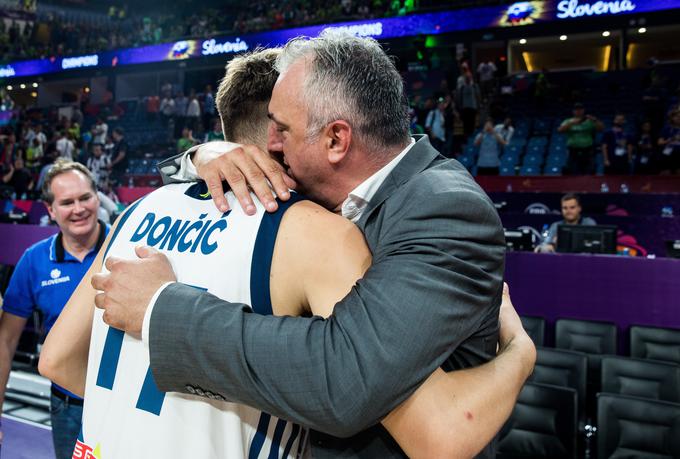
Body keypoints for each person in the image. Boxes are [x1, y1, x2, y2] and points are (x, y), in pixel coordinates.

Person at [42, 49, 534, 459]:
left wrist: (159, 309)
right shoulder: (309, 225)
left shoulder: (442, 206)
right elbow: (438, 428)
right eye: (269, 128)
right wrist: (200, 155)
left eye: (283, 129)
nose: (273, 144)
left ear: (336, 138)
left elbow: (57, 359)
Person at [0, 160, 107, 459]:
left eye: (85, 197)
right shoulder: (34, 260)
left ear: (98, 197)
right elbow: (5, 342)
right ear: (50, 210)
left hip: (123, 402)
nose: (79, 209)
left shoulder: (127, 244)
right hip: (68, 406)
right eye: (67, 202)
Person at [558, 102, 604, 175]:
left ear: (583, 110)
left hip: (587, 150)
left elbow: (601, 129)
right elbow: (560, 130)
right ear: (573, 111)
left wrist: (594, 120)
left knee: (589, 170)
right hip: (573, 150)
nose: (578, 111)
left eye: (580, 109)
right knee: (572, 170)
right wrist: (571, 123)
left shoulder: (589, 121)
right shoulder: (568, 121)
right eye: (576, 110)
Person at [657, 108, 680, 175]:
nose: (679, 118)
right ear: (672, 118)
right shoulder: (667, 129)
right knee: (666, 173)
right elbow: (659, 142)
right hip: (668, 154)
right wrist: (671, 139)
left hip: (679, 154)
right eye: (677, 116)